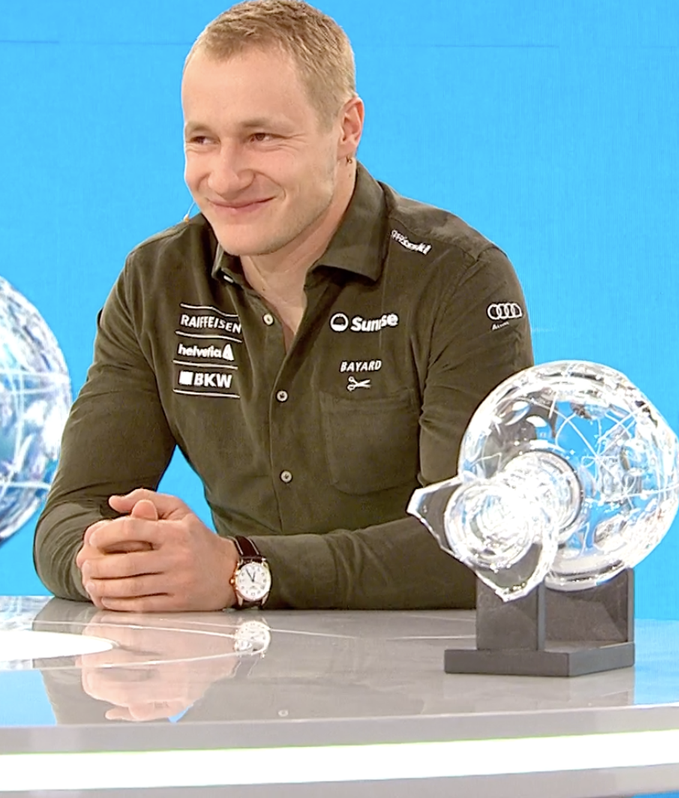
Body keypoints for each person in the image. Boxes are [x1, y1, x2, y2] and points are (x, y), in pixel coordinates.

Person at [33, 0, 533, 611]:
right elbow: (71, 513)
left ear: (346, 129)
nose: (224, 177)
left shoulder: (458, 278)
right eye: (202, 140)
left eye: (261, 138)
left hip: (420, 664)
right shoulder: (156, 281)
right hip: (235, 662)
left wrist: (243, 569)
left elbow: (478, 540)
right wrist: (112, 561)